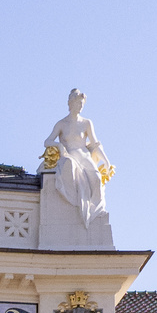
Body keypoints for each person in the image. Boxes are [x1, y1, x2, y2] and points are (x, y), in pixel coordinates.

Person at [42, 89, 114, 227]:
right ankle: (78, 207)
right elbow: (47, 141)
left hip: (84, 155)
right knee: (72, 169)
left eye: (82, 104)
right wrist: (59, 146)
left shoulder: (87, 123)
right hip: (70, 155)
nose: (81, 107)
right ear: (71, 104)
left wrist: (106, 160)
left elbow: (95, 143)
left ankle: (94, 212)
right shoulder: (62, 124)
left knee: (97, 179)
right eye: (78, 104)